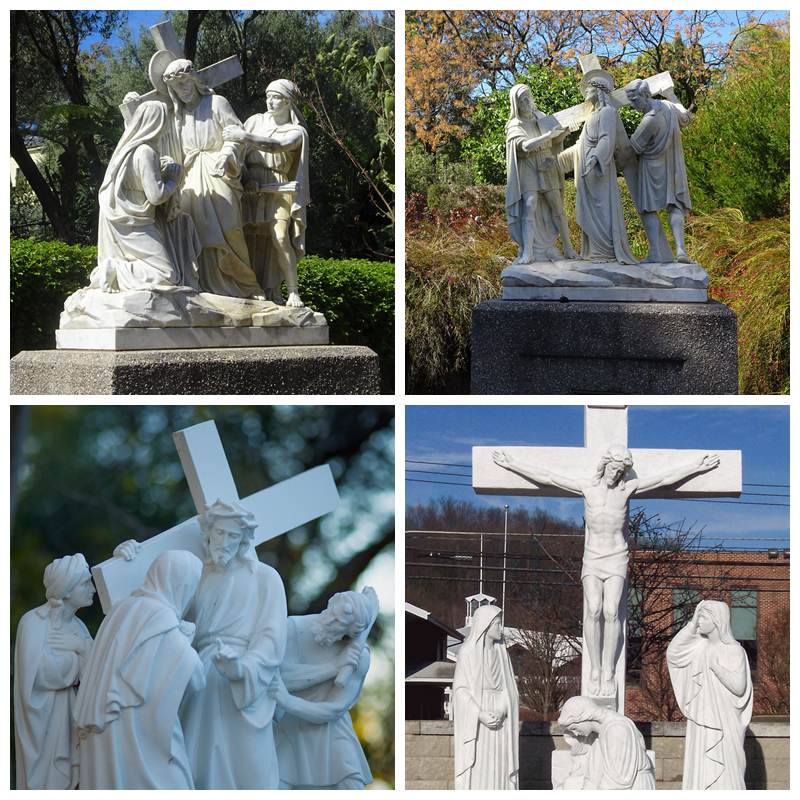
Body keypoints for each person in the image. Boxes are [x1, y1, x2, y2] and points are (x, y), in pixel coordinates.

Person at [493, 445, 720, 698]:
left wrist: (696, 468)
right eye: (613, 468)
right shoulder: (587, 488)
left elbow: (664, 480)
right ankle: (595, 668)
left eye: (621, 471)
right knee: (593, 609)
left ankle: (609, 670)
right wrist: (512, 464)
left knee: (612, 612)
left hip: (616, 557)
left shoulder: (627, 490)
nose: (615, 474)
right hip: (592, 557)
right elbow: (548, 477)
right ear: (605, 465)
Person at [179, 499, 288, 788]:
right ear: (209, 533)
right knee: (197, 766)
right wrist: (130, 554)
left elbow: (272, 635)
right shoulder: (194, 576)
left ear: (244, 540)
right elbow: (165, 611)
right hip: (199, 677)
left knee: (250, 770)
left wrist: (244, 667)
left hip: (246, 685)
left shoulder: (265, 577)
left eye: (234, 536)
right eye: (220, 533)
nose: (225, 542)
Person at [73, 550, 205, 789]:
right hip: (136, 734)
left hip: (110, 727)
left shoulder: (122, 609)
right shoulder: (159, 615)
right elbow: (195, 676)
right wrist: (189, 639)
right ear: (181, 584)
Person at [161, 59, 266, 299]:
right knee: (195, 231)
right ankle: (204, 286)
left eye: (185, 81)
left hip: (220, 173)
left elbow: (236, 135)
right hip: (190, 178)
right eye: (176, 86)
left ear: (195, 79)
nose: (182, 88)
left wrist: (226, 154)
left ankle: (245, 285)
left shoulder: (217, 103)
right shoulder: (176, 117)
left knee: (230, 228)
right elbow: (165, 145)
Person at [273, 588, 378, 789]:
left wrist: (288, 702)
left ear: (351, 633)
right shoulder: (294, 628)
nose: (330, 624)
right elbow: (281, 678)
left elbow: (334, 710)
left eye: (339, 625)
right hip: (291, 733)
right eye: (331, 617)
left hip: (334, 738)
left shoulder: (358, 657)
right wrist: (332, 668)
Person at [92, 100, 196, 293]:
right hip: (136, 222)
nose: (167, 126)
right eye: (165, 119)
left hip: (125, 218)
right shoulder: (145, 151)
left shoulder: (126, 150)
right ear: (156, 122)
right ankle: (116, 269)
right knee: (166, 274)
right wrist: (173, 179)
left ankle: (116, 269)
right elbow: (156, 196)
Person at [225, 79, 310, 307]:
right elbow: (238, 153)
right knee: (246, 238)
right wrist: (247, 177)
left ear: (288, 101)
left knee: (280, 236)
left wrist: (245, 136)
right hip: (251, 187)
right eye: (268, 96)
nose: (270, 102)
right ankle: (251, 287)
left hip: (278, 188)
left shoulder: (296, 131)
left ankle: (293, 291)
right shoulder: (254, 121)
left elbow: (277, 145)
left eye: (276, 97)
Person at [14, 554, 94, 789]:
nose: (92, 589)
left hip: (72, 721)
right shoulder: (33, 622)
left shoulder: (79, 627)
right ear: (67, 589)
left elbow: (97, 668)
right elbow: (41, 673)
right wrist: (78, 659)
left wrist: (80, 648)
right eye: (85, 582)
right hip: (45, 726)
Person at [667, 600, 752, 789]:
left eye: (703, 617)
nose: (699, 622)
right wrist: (692, 622)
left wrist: (717, 668)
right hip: (703, 719)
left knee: (728, 768)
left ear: (717, 621)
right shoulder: (699, 648)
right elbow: (673, 653)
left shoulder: (735, 651)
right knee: (702, 766)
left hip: (725, 721)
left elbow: (739, 687)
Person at [559, 67, 637, 264]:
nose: (586, 91)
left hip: (598, 169)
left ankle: (605, 251)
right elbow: (580, 145)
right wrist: (559, 160)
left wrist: (595, 158)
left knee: (602, 211)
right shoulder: (592, 116)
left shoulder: (608, 112)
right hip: (586, 170)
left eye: (589, 88)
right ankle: (594, 251)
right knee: (589, 211)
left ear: (600, 90)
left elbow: (606, 139)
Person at [505, 84, 577, 263]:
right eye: (522, 100)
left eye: (528, 97)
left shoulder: (541, 116)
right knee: (530, 205)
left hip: (547, 163)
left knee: (557, 206)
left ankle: (568, 247)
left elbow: (555, 140)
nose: (527, 101)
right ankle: (528, 251)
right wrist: (548, 136)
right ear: (516, 104)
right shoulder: (516, 124)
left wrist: (565, 131)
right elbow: (525, 146)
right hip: (528, 165)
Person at [625, 79, 693, 264]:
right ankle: (681, 250)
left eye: (634, 100)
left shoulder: (649, 120)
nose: (633, 105)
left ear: (644, 95)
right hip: (673, 164)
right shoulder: (668, 106)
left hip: (652, 168)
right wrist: (671, 95)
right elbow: (686, 118)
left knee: (648, 209)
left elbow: (633, 148)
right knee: (674, 205)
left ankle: (656, 252)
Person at [453, 604, 519, 789]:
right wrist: (480, 713)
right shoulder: (468, 652)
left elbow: (511, 690)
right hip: (478, 720)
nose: (500, 628)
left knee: (500, 765)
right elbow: (460, 690)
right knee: (480, 765)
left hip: (500, 718)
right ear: (485, 625)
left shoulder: (502, 653)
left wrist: (503, 708)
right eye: (497, 624)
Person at [558, 695, 655, 789]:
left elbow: (618, 780)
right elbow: (593, 774)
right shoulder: (599, 733)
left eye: (574, 728)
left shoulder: (616, 729)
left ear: (584, 717)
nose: (575, 733)